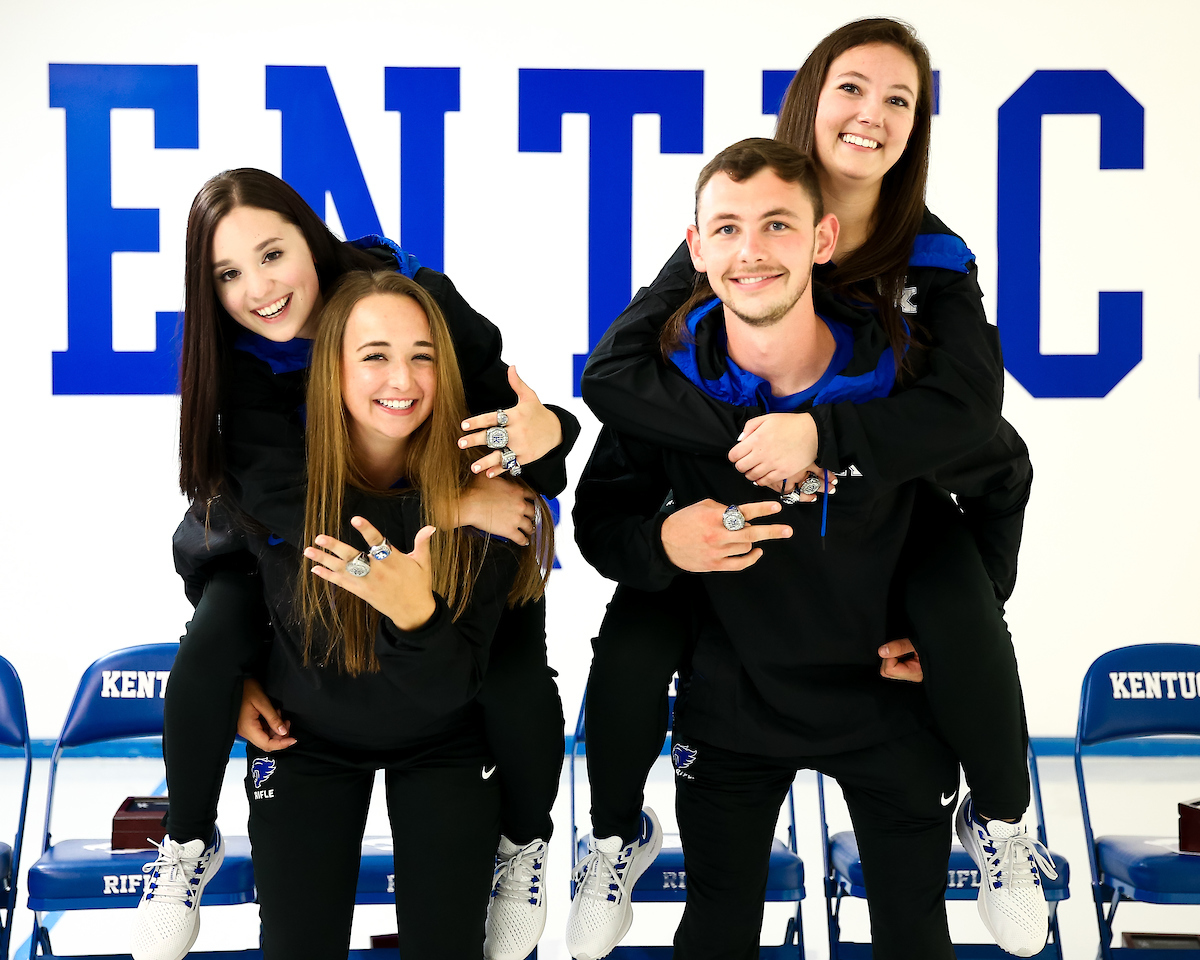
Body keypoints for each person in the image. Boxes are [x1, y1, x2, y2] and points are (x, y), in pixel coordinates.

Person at [571, 22, 1051, 957]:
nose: (871, 115)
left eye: (898, 100)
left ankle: (1002, 821)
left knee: (959, 605)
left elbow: (971, 419)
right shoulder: (737, 228)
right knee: (639, 624)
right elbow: (614, 379)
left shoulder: (933, 262)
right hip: (744, 606)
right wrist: (750, 449)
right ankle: (611, 833)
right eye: (851, 89)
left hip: (889, 529)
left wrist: (824, 439)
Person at [133, 169, 576, 960]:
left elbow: (508, 411)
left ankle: (525, 843)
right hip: (281, 542)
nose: (259, 289)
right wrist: (441, 507)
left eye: (272, 254)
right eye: (227, 275)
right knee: (212, 643)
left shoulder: (413, 297)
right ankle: (185, 844)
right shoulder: (241, 372)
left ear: (312, 237)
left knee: (513, 668)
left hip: (442, 575)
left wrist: (552, 435)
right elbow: (291, 513)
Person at [240, 268, 553, 957]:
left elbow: (453, 684)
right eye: (375, 355)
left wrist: (418, 617)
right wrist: (232, 680)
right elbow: (221, 588)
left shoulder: (492, 497)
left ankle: (526, 843)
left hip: (444, 738)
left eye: (422, 356)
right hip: (303, 737)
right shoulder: (278, 482)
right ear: (332, 370)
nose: (401, 380)